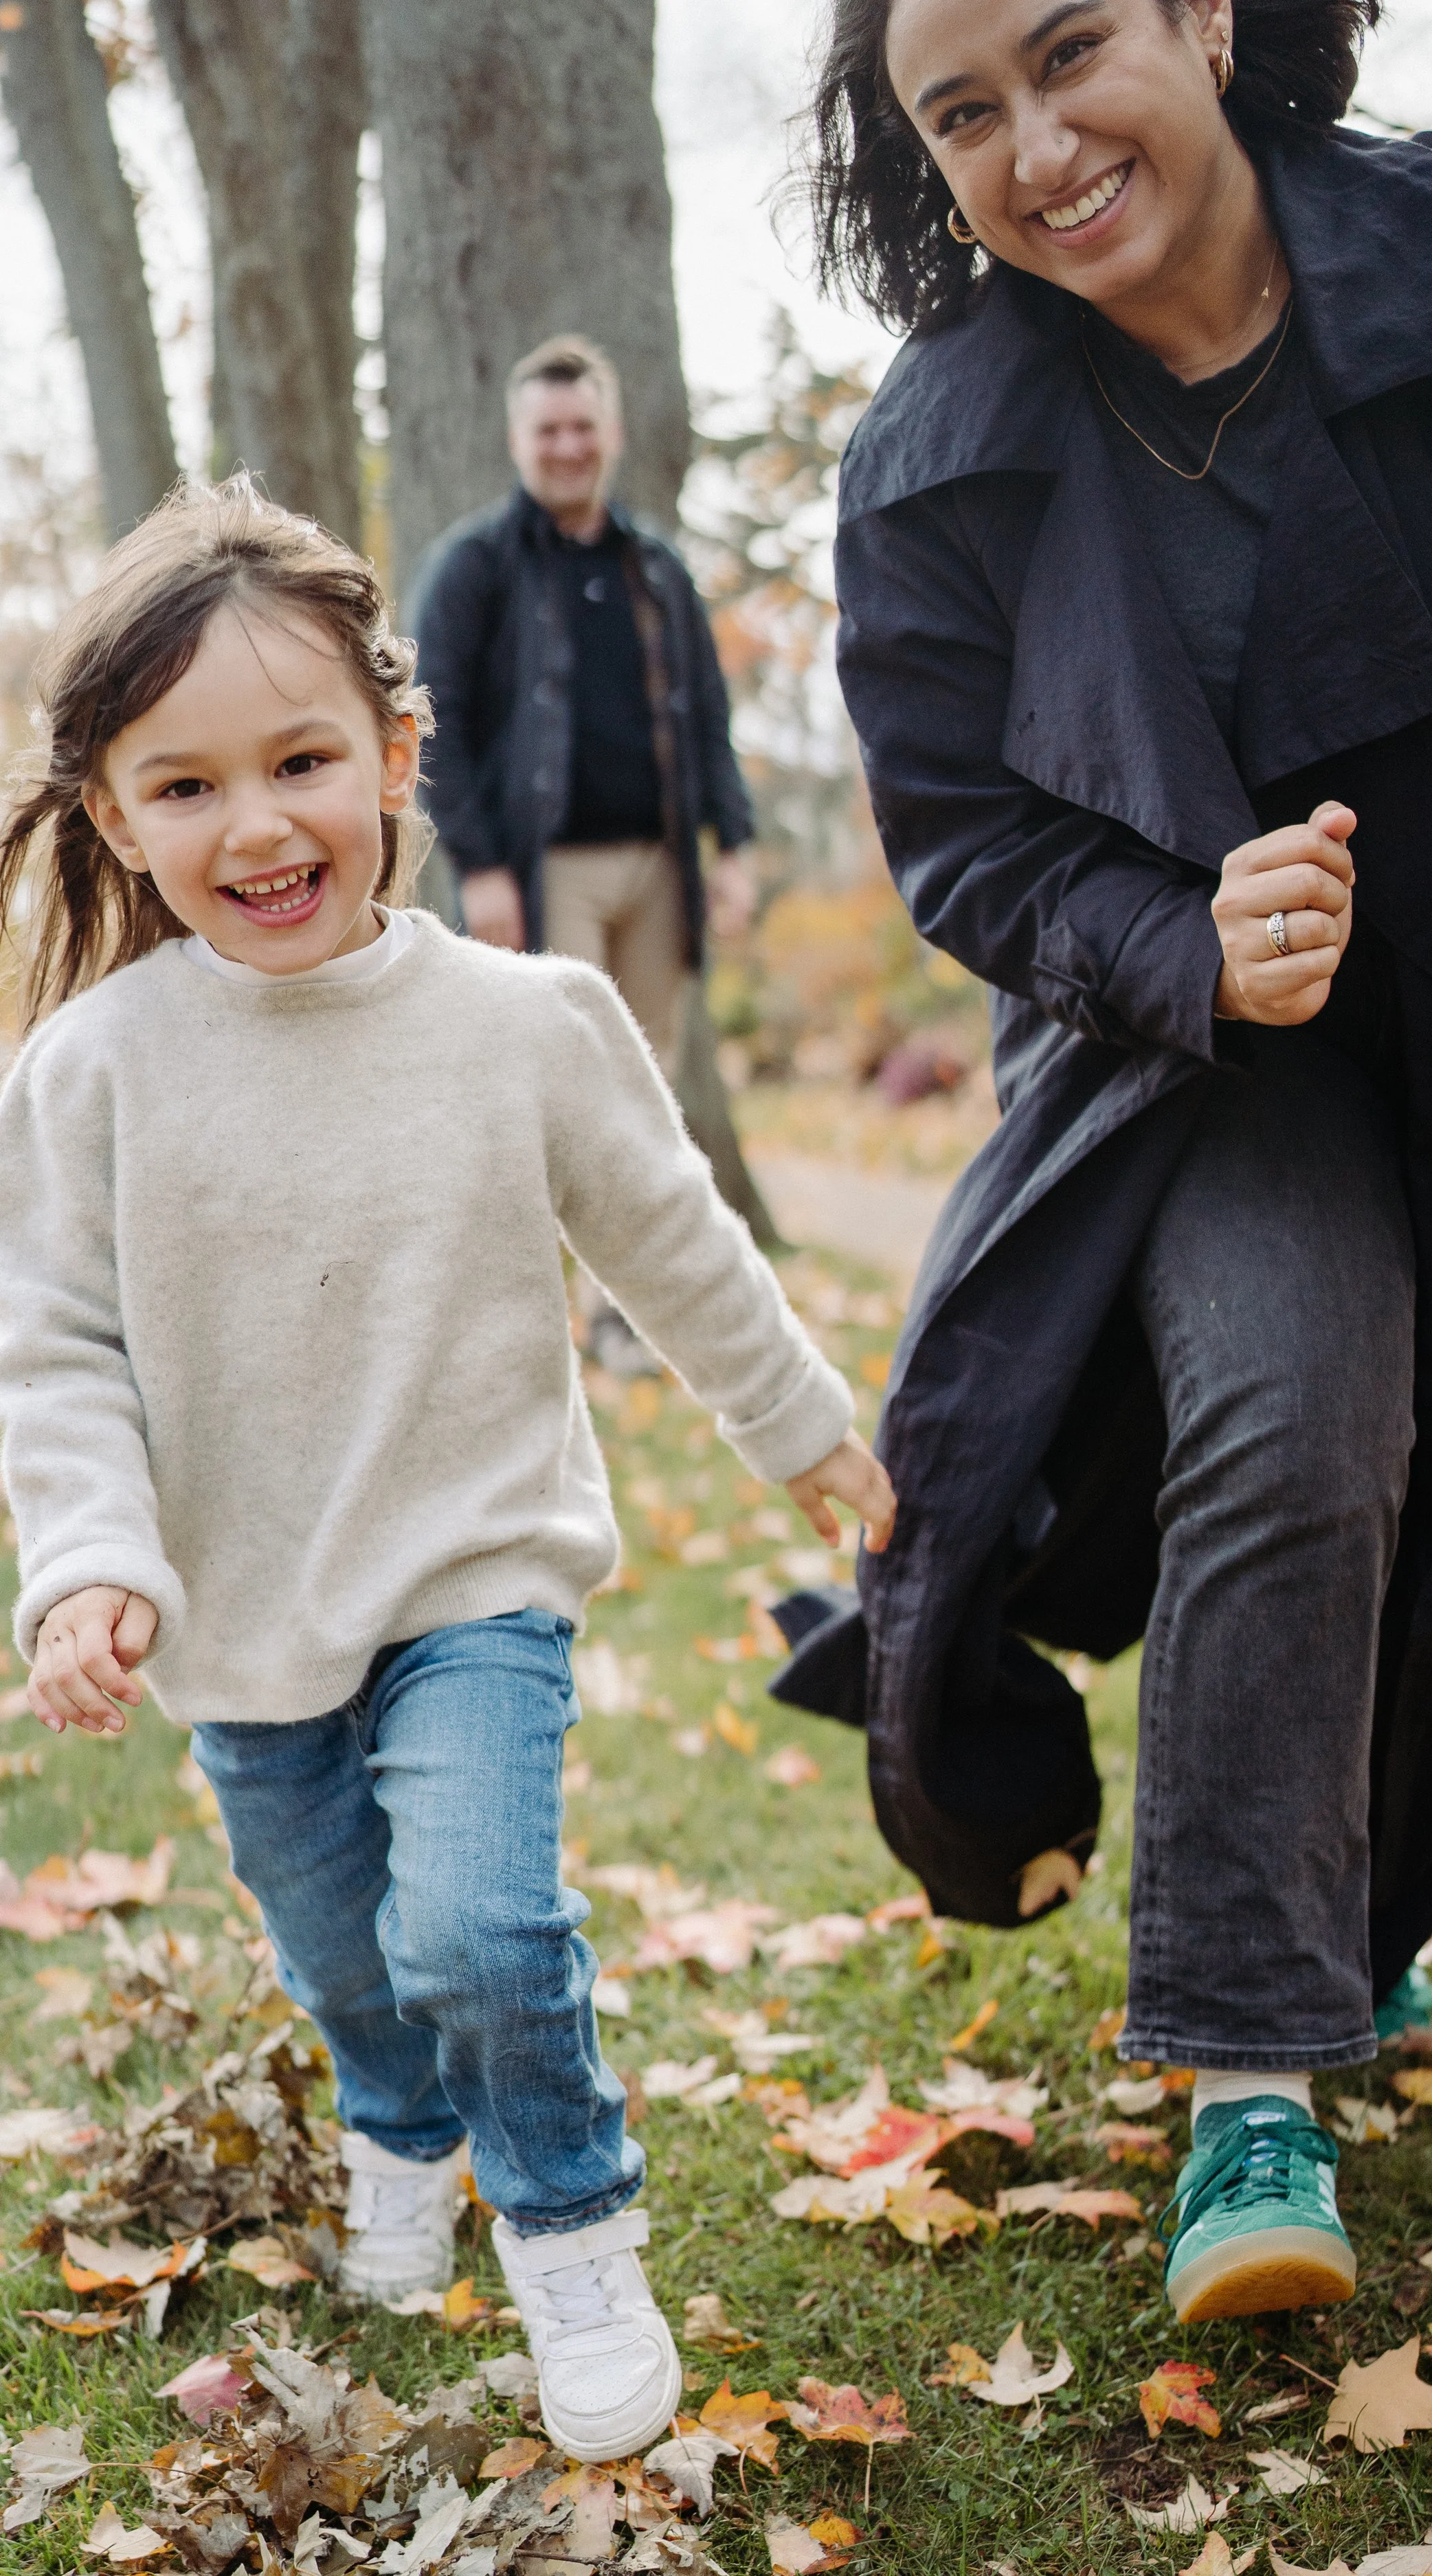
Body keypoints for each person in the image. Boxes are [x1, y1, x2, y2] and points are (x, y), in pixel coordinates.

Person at [777, 0, 1432, 2328]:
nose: (1034, 146)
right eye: (961, 114)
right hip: (1204, 1070)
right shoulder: (937, 460)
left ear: (1207, 13)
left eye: (1070, 49)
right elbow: (965, 838)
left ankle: (1350, 1923)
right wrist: (1175, 940)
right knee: (1296, 1413)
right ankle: (1249, 2080)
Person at [0, 479, 896, 2459]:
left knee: (478, 1928)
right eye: (186, 786)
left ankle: (571, 2222)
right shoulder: (88, 1074)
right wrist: (89, 1560)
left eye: (302, 760)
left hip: (475, 1567)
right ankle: (400, 2129)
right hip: (243, 1608)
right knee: (347, 1953)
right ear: (116, 819)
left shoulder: (524, 1023)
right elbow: (54, 1349)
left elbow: (672, 1240)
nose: (258, 826)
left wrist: (800, 1423)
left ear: (398, 753)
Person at [411, 336, 759, 1372]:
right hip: (541, 874)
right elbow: (431, 721)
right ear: (519, 440)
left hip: (661, 870)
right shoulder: (477, 568)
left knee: (645, 1100)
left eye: (582, 427)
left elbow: (708, 719)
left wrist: (735, 845)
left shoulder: (658, 569)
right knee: (549, 1095)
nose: (567, 446)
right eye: (548, 430)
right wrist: (479, 864)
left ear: (611, 433)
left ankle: (622, 1319)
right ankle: (522, 1323)